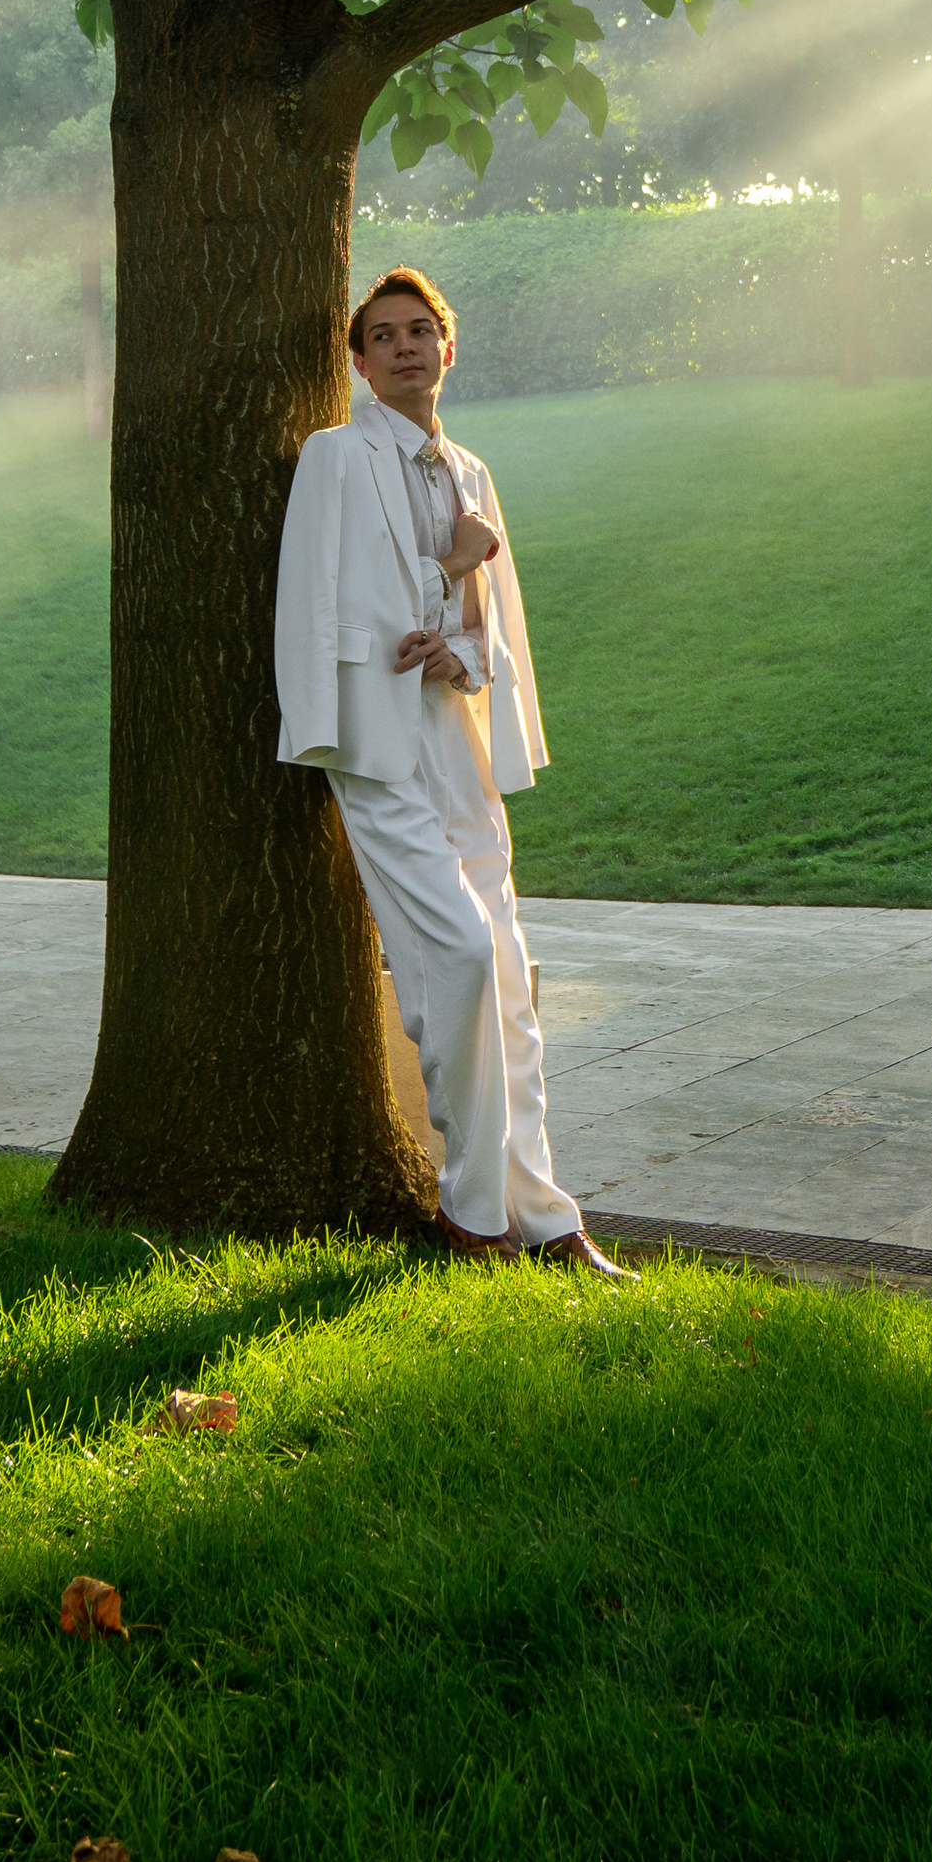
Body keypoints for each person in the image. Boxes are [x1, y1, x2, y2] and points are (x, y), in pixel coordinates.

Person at [274, 264, 632, 1275]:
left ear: (447, 347)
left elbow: (489, 629)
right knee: (460, 960)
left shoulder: (470, 471)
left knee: (508, 974)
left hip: (455, 734)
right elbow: (319, 591)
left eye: (419, 330)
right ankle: (469, 1216)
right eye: (381, 335)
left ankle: (546, 1217)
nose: (403, 347)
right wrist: (448, 569)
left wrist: (457, 648)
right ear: (357, 362)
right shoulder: (333, 457)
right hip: (374, 742)